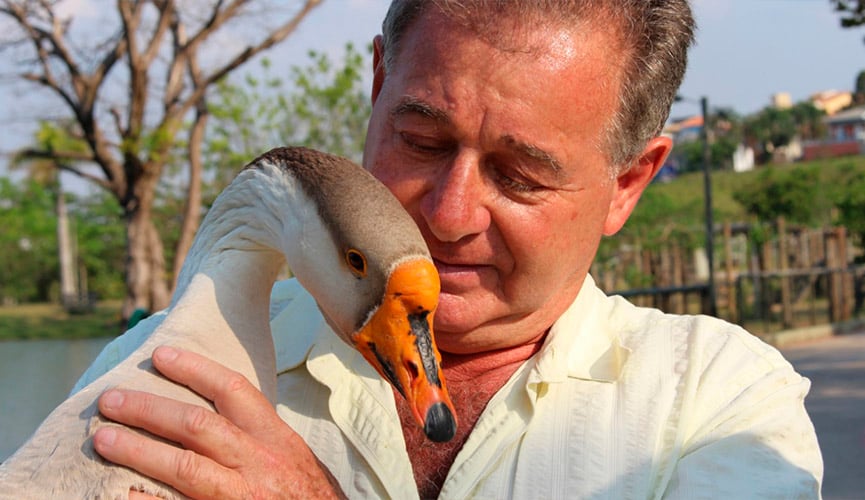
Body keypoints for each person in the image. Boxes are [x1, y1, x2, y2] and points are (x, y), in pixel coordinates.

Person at [76, 1, 823, 498]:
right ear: (376, 87)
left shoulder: (717, 403)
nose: (449, 213)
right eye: (422, 141)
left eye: (520, 175)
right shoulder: (153, 373)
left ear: (628, 183)